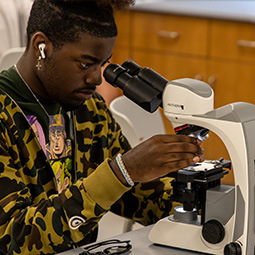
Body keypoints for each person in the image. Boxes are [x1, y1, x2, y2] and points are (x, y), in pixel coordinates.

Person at [0, 0, 204, 254]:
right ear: (42, 46)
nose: (96, 78)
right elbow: (14, 238)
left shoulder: (89, 109)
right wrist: (121, 172)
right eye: (86, 64)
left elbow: (132, 195)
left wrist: (198, 193)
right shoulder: (4, 114)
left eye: (103, 64)